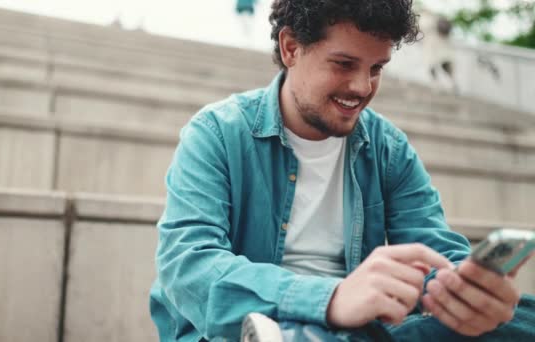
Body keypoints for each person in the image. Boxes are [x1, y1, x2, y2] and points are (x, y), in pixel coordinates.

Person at [149, 0, 535, 341]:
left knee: (522, 316)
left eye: (377, 68)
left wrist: (468, 294)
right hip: (242, 328)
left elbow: (437, 257)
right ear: (290, 48)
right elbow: (188, 265)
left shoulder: (389, 148)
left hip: (366, 326)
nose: (361, 86)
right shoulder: (218, 131)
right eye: (344, 64)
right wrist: (331, 298)